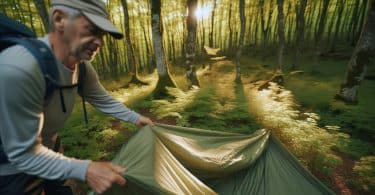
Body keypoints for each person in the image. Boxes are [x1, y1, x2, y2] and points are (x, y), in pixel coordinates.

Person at [0, 0, 153, 194]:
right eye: (92, 30)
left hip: (51, 150)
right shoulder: (20, 67)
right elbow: (23, 154)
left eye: (102, 35)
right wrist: (86, 168)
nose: (100, 42)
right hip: (11, 171)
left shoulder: (81, 67)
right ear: (59, 19)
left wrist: (136, 118)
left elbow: (100, 97)